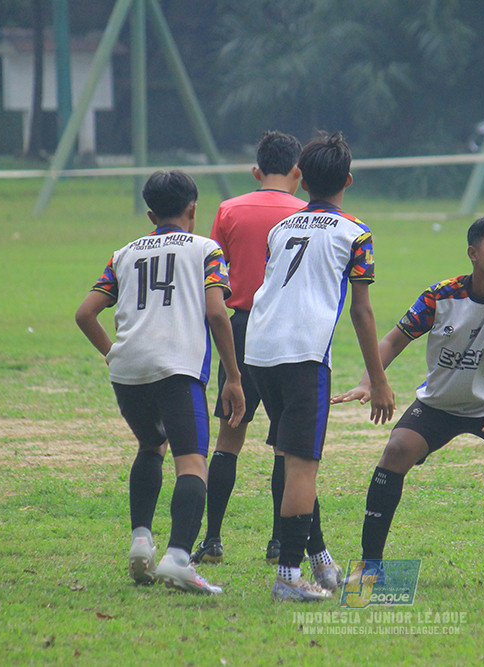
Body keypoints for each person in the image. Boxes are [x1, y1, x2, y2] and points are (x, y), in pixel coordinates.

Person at [334, 213, 484, 587]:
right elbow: (393, 341)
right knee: (397, 450)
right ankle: (370, 565)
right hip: (439, 404)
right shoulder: (440, 295)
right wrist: (370, 381)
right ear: (473, 253)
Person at [75, 170, 244, 596]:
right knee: (192, 462)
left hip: (127, 372)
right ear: (193, 209)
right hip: (177, 370)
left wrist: (113, 353)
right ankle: (179, 559)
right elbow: (218, 313)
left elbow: (84, 314)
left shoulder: (123, 254)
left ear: (151, 214)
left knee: (151, 446)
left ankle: (140, 541)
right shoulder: (207, 249)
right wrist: (234, 376)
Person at [245, 131, 396, 601]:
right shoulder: (356, 232)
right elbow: (361, 311)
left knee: (294, 461)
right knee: (303, 466)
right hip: (304, 355)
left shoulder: (280, 229)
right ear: (347, 179)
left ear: (301, 178)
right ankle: (289, 578)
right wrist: (378, 378)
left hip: (259, 350)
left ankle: (320, 559)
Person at [190, 130, 305, 568]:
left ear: (256, 171)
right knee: (284, 442)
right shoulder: (306, 214)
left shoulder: (229, 209)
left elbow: (218, 271)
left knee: (229, 433)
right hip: (287, 332)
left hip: (238, 328)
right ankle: (278, 542)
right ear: (298, 172)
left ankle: (214, 538)